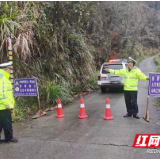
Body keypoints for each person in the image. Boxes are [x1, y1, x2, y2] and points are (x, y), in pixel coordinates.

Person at [0, 62, 18, 143]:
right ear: (6, 69)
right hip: (3, 106)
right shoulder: (3, 79)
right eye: (9, 69)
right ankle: (9, 138)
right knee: (7, 123)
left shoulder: (2, 77)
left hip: (1, 106)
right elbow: (2, 93)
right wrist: (7, 103)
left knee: (0, 123)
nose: (10, 71)